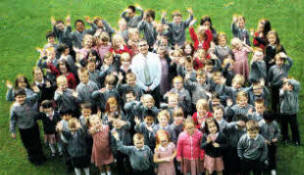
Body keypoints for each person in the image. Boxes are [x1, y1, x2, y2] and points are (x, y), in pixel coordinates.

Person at [9, 89, 46, 165]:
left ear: (25, 96)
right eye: (19, 97)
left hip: (33, 126)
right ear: (15, 98)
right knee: (29, 145)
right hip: (23, 130)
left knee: (37, 142)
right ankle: (33, 158)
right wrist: (12, 131)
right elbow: (12, 120)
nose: (21, 99)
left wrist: (38, 91)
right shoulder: (14, 108)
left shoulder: (28, 101)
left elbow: (37, 97)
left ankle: (41, 156)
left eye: (23, 97)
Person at [131, 39, 162, 106]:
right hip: (141, 88)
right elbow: (135, 76)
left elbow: (159, 73)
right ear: (138, 48)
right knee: (144, 108)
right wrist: (144, 87)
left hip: (155, 87)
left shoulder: (155, 57)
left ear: (148, 46)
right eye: (140, 46)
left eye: (144, 45)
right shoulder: (135, 60)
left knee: (156, 107)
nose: (143, 47)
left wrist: (152, 86)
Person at [279, 78, 301, 145]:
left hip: (293, 113)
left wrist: (289, 80)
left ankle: (296, 140)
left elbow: (298, 84)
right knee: (284, 126)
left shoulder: (295, 92)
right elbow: (281, 94)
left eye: (292, 86)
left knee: (294, 126)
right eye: (289, 85)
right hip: (284, 112)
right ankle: (285, 139)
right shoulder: (284, 92)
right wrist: (284, 89)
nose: (290, 87)